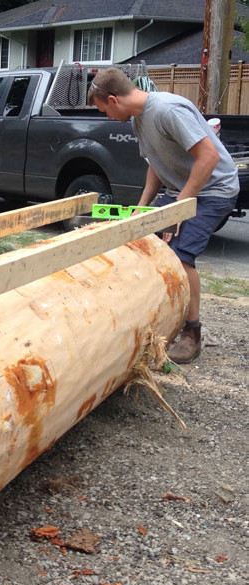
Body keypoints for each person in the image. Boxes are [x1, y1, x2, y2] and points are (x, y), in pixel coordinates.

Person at [88, 68, 239, 364]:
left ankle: (191, 333)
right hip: (179, 189)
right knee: (139, 244)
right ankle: (154, 314)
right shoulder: (138, 119)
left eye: (102, 109)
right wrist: (141, 208)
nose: (105, 116)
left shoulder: (168, 110)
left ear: (112, 99)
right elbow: (156, 163)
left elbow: (208, 157)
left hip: (213, 189)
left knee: (181, 257)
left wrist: (178, 209)